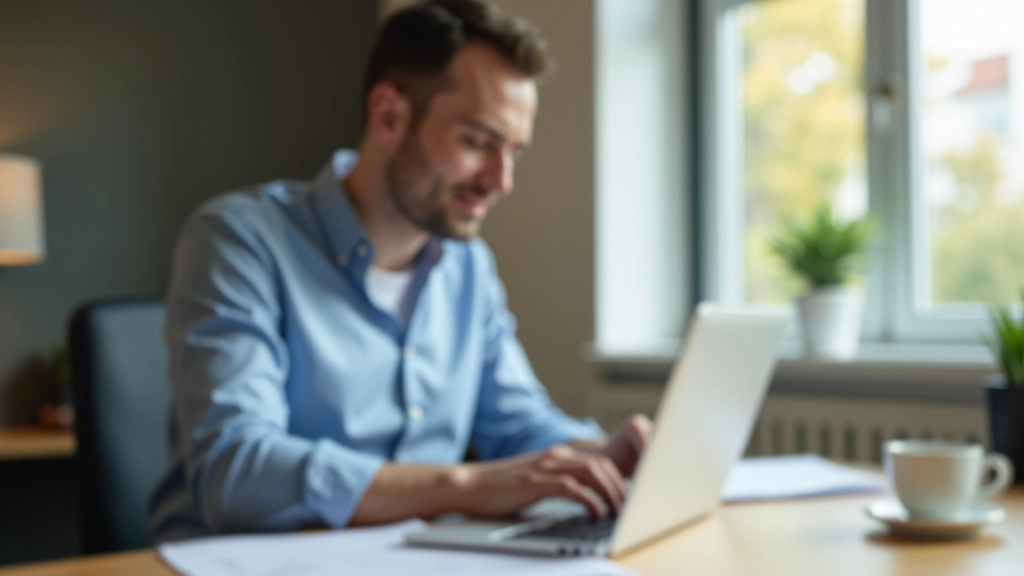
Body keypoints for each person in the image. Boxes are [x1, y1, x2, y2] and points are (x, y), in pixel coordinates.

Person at [149, 0, 652, 543]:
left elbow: (518, 426)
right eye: (478, 143)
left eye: (513, 152)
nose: (501, 181)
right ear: (389, 115)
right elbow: (237, 473)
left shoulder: (467, 267)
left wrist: (601, 454)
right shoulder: (241, 240)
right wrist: (462, 485)